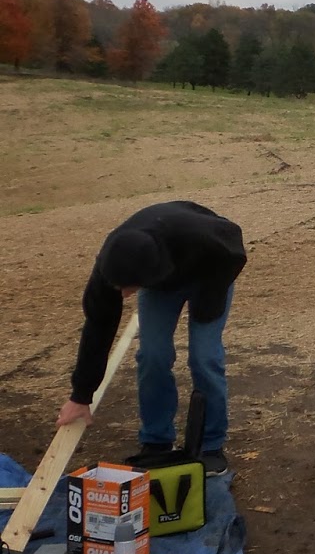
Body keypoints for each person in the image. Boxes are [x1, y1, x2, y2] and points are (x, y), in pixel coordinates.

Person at [57, 200, 247, 476]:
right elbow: (98, 329)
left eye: (128, 288)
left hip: (211, 271)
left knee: (204, 356)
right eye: (118, 287)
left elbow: (234, 250)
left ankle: (210, 445)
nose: (123, 294)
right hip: (160, 280)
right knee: (152, 356)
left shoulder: (200, 234)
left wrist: (208, 304)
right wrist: (81, 395)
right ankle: (156, 442)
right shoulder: (113, 267)